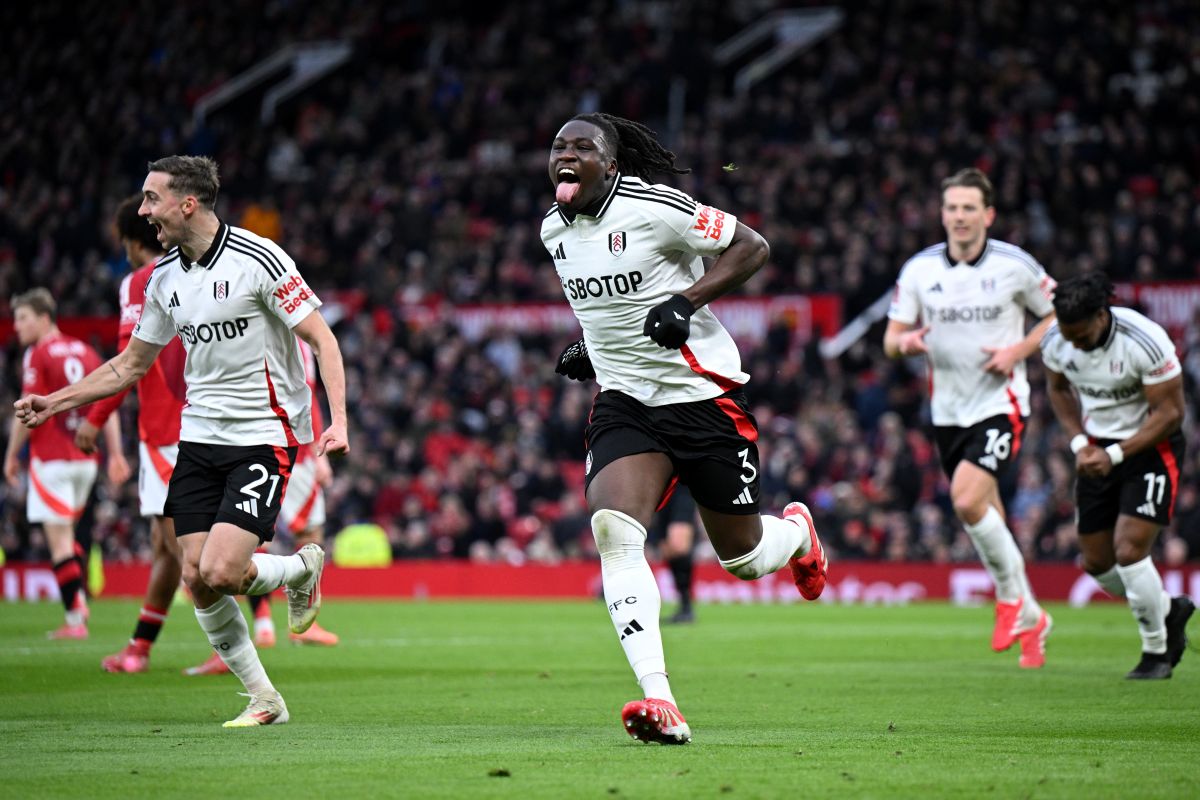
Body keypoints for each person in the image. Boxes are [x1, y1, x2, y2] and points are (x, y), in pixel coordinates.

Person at [14, 155, 350, 727]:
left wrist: (337, 420)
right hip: (197, 439)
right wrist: (56, 403)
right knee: (197, 576)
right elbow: (128, 366)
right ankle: (266, 696)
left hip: (262, 436)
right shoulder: (164, 279)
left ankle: (297, 571)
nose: (143, 211)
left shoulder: (259, 260)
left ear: (186, 203)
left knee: (220, 572)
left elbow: (322, 338)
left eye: (151, 199)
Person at [545, 112, 827, 745]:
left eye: (583, 146)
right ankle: (660, 699)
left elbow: (752, 247)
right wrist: (591, 350)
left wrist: (687, 302)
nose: (567, 155)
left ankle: (799, 534)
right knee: (614, 531)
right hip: (626, 402)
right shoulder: (551, 232)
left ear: (611, 164)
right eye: (559, 147)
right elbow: (607, 307)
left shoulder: (655, 207)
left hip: (704, 399)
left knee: (746, 560)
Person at [883, 168, 1056, 668]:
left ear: (988, 214)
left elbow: (1058, 311)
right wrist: (905, 343)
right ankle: (1035, 616)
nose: (959, 217)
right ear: (942, 214)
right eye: (951, 208)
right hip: (948, 410)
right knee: (990, 514)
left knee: (966, 499)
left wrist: (1019, 350)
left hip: (1001, 402)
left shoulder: (1014, 265)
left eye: (968, 208)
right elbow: (891, 340)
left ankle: (1009, 601)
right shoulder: (919, 270)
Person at [1041, 273, 1195, 679]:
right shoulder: (1056, 341)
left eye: (1080, 335)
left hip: (1151, 448)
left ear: (1101, 315)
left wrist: (1114, 454)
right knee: (1097, 563)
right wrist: (1079, 444)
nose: (1073, 343)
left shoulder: (1144, 340)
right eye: (1066, 334)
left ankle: (1156, 651)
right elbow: (1057, 389)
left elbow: (1170, 414)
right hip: (1096, 451)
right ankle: (1168, 609)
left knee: (1129, 551)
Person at [184, 338, 339, 677]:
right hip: (270, 444)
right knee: (241, 542)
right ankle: (262, 626)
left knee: (294, 533)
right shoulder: (277, 336)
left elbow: (306, 394)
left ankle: (280, 625)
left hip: (283, 444)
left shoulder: (289, 337)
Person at [81, 195, 188, 673]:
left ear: (130, 240)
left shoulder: (142, 280)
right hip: (175, 430)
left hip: (169, 433)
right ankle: (140, 648)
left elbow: (127, 362)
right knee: (166, 547)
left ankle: (243, 638)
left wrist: (93, 418)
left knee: (192, 552)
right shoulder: (192, 270)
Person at [4, 289, 130, 639]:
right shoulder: (86, 351)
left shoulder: (37, 353)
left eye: (23, 318)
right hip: (85, 461)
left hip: (52, 458)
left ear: (44, 318)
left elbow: (26, 410)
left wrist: (11, 455)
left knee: (58, 542)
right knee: (69, 538)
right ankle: (79, 599)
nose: (17, 326)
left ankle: (75, 618)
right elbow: (106, 405)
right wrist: (116, 453)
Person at [651, 486, 700, 624]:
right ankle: (684, 607)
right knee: (666, 548)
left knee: (678, 543)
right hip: (661, 490)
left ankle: (687, 606)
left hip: (681, 486)